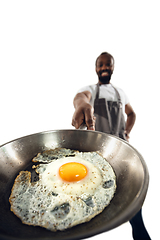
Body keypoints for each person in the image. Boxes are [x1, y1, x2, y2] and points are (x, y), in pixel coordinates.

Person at [72, 52, 151, 240]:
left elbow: (131, 113)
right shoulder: (89, 89)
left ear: (113, 67)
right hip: (97, 153)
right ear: (96, 68)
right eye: (101, 65)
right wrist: (81, 104)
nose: (104, 68)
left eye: (108, 65)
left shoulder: (120, 92)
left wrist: (127, 131)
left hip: (121, 150)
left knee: (134, 206)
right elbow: (81, 96)